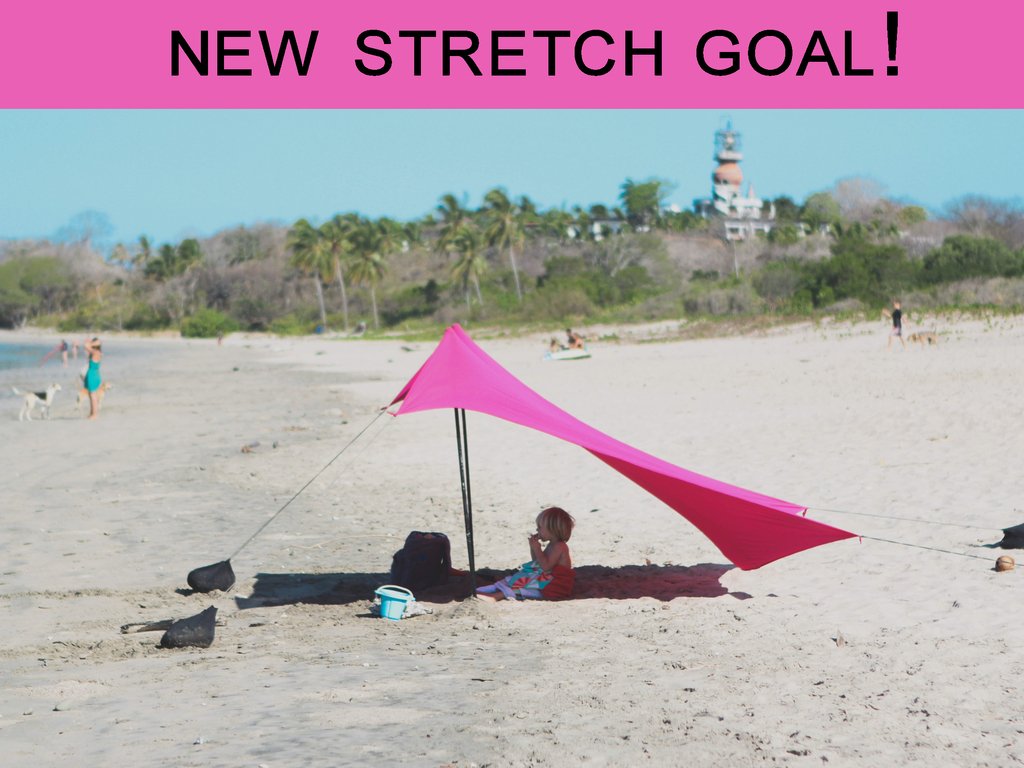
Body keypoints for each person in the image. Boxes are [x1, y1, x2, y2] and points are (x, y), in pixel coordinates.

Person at [477, 507, 576, 602]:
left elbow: (546, 567)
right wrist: (533, 547)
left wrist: (537, 549)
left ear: (552, 530)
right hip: (547, 580)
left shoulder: (560, 546)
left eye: (540, 527)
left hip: (554, 587)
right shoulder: (552, 544)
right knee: (513, 579)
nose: (537, 530)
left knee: (521, 589)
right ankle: (483, 590)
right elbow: (537, 562)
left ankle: (495, 597)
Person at [83, 337, 103, 420]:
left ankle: (94, 414)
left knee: (93, 395)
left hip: (93, 375)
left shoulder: (95, 353)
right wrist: (89, 341)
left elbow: (87, 346)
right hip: (93, 374)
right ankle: (92, 413)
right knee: (91, 395)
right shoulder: (96, 353)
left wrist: (90, 343)